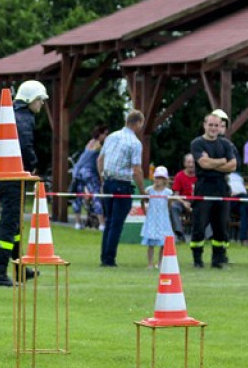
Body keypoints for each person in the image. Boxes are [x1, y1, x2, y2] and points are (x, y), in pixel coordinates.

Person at [0, 79, 48, 286]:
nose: (41, 104)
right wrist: (32, 164)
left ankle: (19, 268)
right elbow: (25, 144)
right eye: (40, 100)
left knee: (14, 225)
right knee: (9, 224)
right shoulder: (25, 118)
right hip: (14, 178)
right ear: (31, 99)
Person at [189, 112, 238, 268]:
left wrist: (214, 163)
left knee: (221, 226)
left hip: (221, 187)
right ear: (204, 125)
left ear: (220, 127)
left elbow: (233, 165)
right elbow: (203, 164)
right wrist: (223, 161)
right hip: (204, 186)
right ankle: (197, 260)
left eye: (216, 125)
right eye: (210, 124)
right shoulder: (197, 143)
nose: (213, 128)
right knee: (199, 225)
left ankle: (217, 259)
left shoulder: (226, 144)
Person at [98, 110, 146, 267]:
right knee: (116, 223)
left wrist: (102, 178)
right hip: (122, 185)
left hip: (108, 183)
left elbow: (100, 159)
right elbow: (137, 170)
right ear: (138, 122)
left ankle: (104, 256)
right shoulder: (135, 143)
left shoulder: (111, 136)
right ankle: (109, 259)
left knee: (109, 221)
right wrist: (143, 191)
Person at [70, 124, 108, 230]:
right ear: (100, 134)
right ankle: (102, 224)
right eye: (105, 134)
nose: (106, 136)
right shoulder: (99, 146)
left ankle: (77, 223)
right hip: (89, 173)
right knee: (96, 196)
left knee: (78, 197)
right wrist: (101, 178)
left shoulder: (90, 142)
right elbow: (99, 162)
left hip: (77, 171)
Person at [141, 166, 178, 268]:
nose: (157, 180)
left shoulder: (168, 192)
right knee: (151, 244)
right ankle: (150, 263)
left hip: (163, 219)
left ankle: (161, 262)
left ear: (164, 180)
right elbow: (143, 201)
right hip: (152, 219)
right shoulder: (149, 190)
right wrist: (145, 211)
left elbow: (169, 206)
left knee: (163, 243)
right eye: (156, 178)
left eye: (160, 178)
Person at [170, 153, 196, 242]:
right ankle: (179, 233)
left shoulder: (200, 176)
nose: (191, 165)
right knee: (173, 206)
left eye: (193, 162)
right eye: (189, 162)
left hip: (197, 201)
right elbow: (175, 194)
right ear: (185, 164)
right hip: (182, 201)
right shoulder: (179, 175)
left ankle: (205, 236)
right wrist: (184, 203)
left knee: (207, 206)